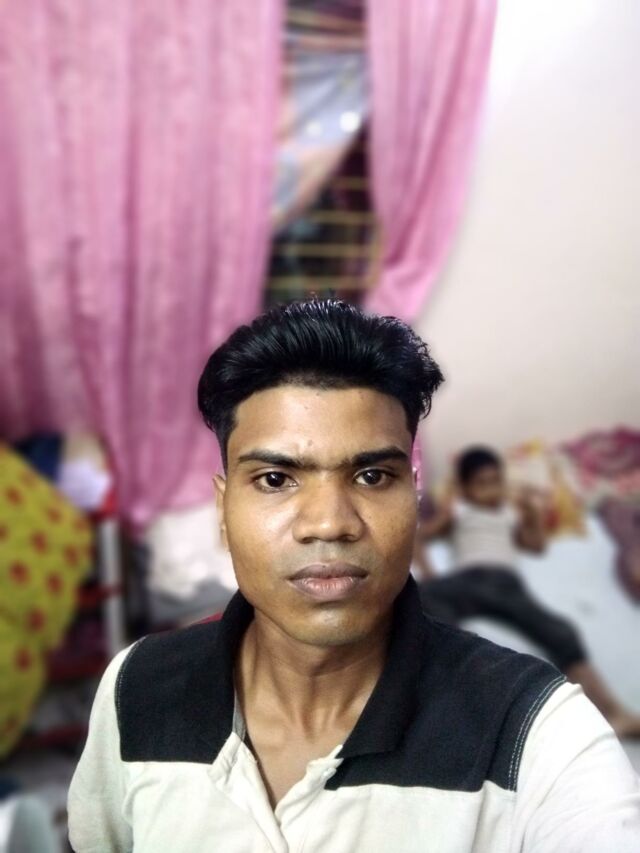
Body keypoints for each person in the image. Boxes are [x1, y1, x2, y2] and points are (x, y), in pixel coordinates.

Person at [67, 299, 640, 852]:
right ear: (223, 508)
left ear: (414, 495)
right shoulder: (136, 687)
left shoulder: (535, 731)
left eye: (372, 476)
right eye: (275, 480)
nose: (329, 523)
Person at [415, 445, 640, 739]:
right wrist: (428, 571)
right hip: (467, 579)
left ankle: (612, 712)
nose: (491, 490)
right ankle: (454, 696)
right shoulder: (459, 509)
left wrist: (532, 515)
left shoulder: (509, 513)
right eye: (482, 483)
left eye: (496, 481)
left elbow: (535, 545)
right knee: (425, 598)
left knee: (559, 630)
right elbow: (419, 535)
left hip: (504, 583)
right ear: (466, 488)